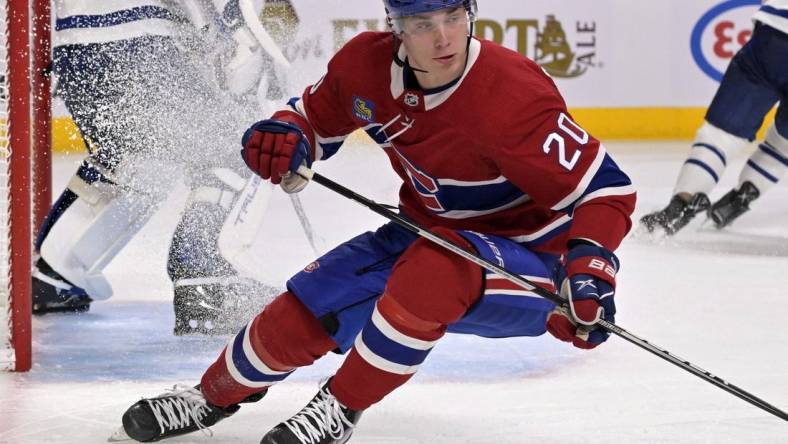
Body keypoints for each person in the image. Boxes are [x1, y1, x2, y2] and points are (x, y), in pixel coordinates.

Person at [114, 1, 636, 442]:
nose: (443, 37)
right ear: (396, 26)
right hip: (427, 234)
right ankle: (211, 397)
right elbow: (313, 119)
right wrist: (288, 135)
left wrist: (589, 267)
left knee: (437, 267)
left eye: (453, 16)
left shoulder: (513, 93)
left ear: (472, 12)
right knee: (316, 298)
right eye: (422, 23)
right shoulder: (364, 66)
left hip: (532, 263)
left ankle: (339, 409)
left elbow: (607, 190)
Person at [34, 0, 282, 334]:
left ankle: (55, 274)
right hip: (139, 46)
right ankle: (204, 278)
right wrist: (240, 36)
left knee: (137, 158)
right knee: (238, 144)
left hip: (78, 53)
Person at [640, 0, 788, 235]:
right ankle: (742, 196)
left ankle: (682, 203)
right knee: (784, 145)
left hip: (773, 36)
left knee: (720, 136)